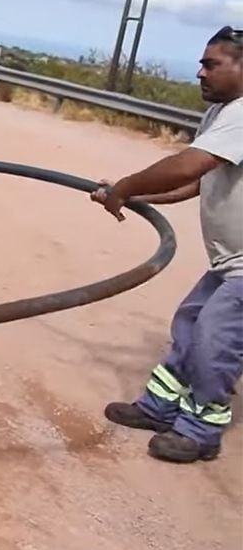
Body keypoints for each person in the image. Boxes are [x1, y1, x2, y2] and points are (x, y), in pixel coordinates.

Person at [91, 25, 243, 464]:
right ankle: (160, 407)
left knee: (215, 340)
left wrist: (125, 186)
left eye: (211, 64)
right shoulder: (222, 114)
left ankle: (201, 431)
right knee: (191, 326)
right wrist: (131, 194)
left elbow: (188, 165)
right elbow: (196, 181)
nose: (199, 72)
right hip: (230, 262)